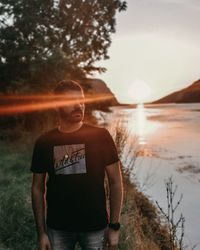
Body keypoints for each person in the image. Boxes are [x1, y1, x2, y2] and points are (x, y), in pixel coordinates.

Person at [31, 80, 123, 250]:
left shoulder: (100, 136)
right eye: (71, 102)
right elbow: (37, 187)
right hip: (57, 228)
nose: (79, 106)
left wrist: (114, 227)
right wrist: (41, 233)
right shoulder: (44, 142)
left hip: (96, 227)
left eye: (81, 100)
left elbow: (116, 182)